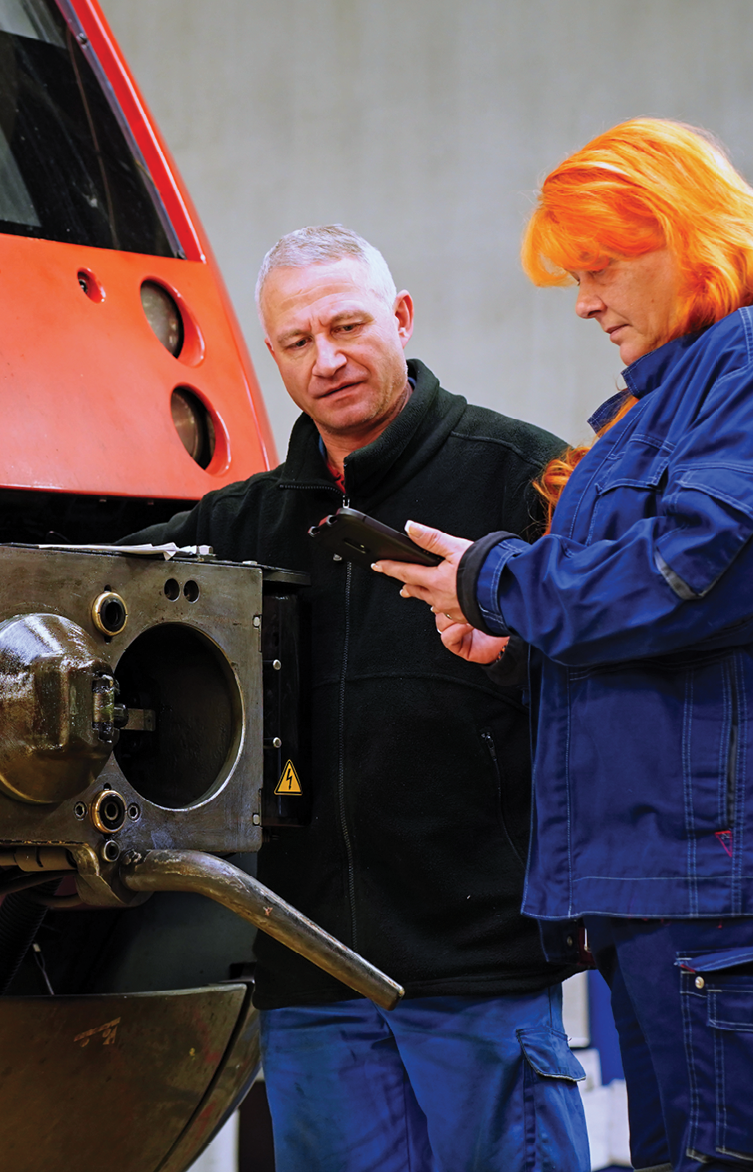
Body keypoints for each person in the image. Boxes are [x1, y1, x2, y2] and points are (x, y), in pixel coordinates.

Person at [125, 225, 589, 1171]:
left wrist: (508, 658)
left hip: (478, 973)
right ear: (273, 356)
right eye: (297, 343)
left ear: (401, 317)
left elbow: (614, 687)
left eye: (347, 326)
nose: (326, 361)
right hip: (312, 982)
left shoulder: (522, 476)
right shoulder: (238, 523)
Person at [375, 119, 753, 1172]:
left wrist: (495, 580)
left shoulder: (744, 370)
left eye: (598, 270)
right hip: (661, 887)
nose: (585, 302)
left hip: (708, 893)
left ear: (686, 241)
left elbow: (689, 572)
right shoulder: (663, 405)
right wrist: (521, 630)